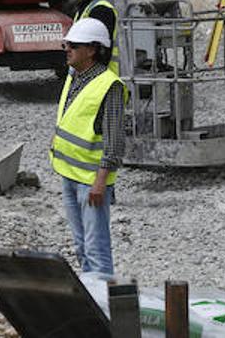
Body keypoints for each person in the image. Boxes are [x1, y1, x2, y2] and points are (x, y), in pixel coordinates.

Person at [51, 17, 125, 280]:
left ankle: (104, 304)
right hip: (70, 175)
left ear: (92, 50)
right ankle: (92, 298)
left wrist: (100, 183)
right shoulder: (75, 76)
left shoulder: (109, 86)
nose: (67, 49)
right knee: (82, 248)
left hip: (91, 182)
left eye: (74, 45)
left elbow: (115, 141)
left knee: (96, 250)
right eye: (67, 44)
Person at [67, 0, 119, 76]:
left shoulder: (101, 10)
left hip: (103, 78)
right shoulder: (83, 9)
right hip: (89, 76)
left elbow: (98, 52)